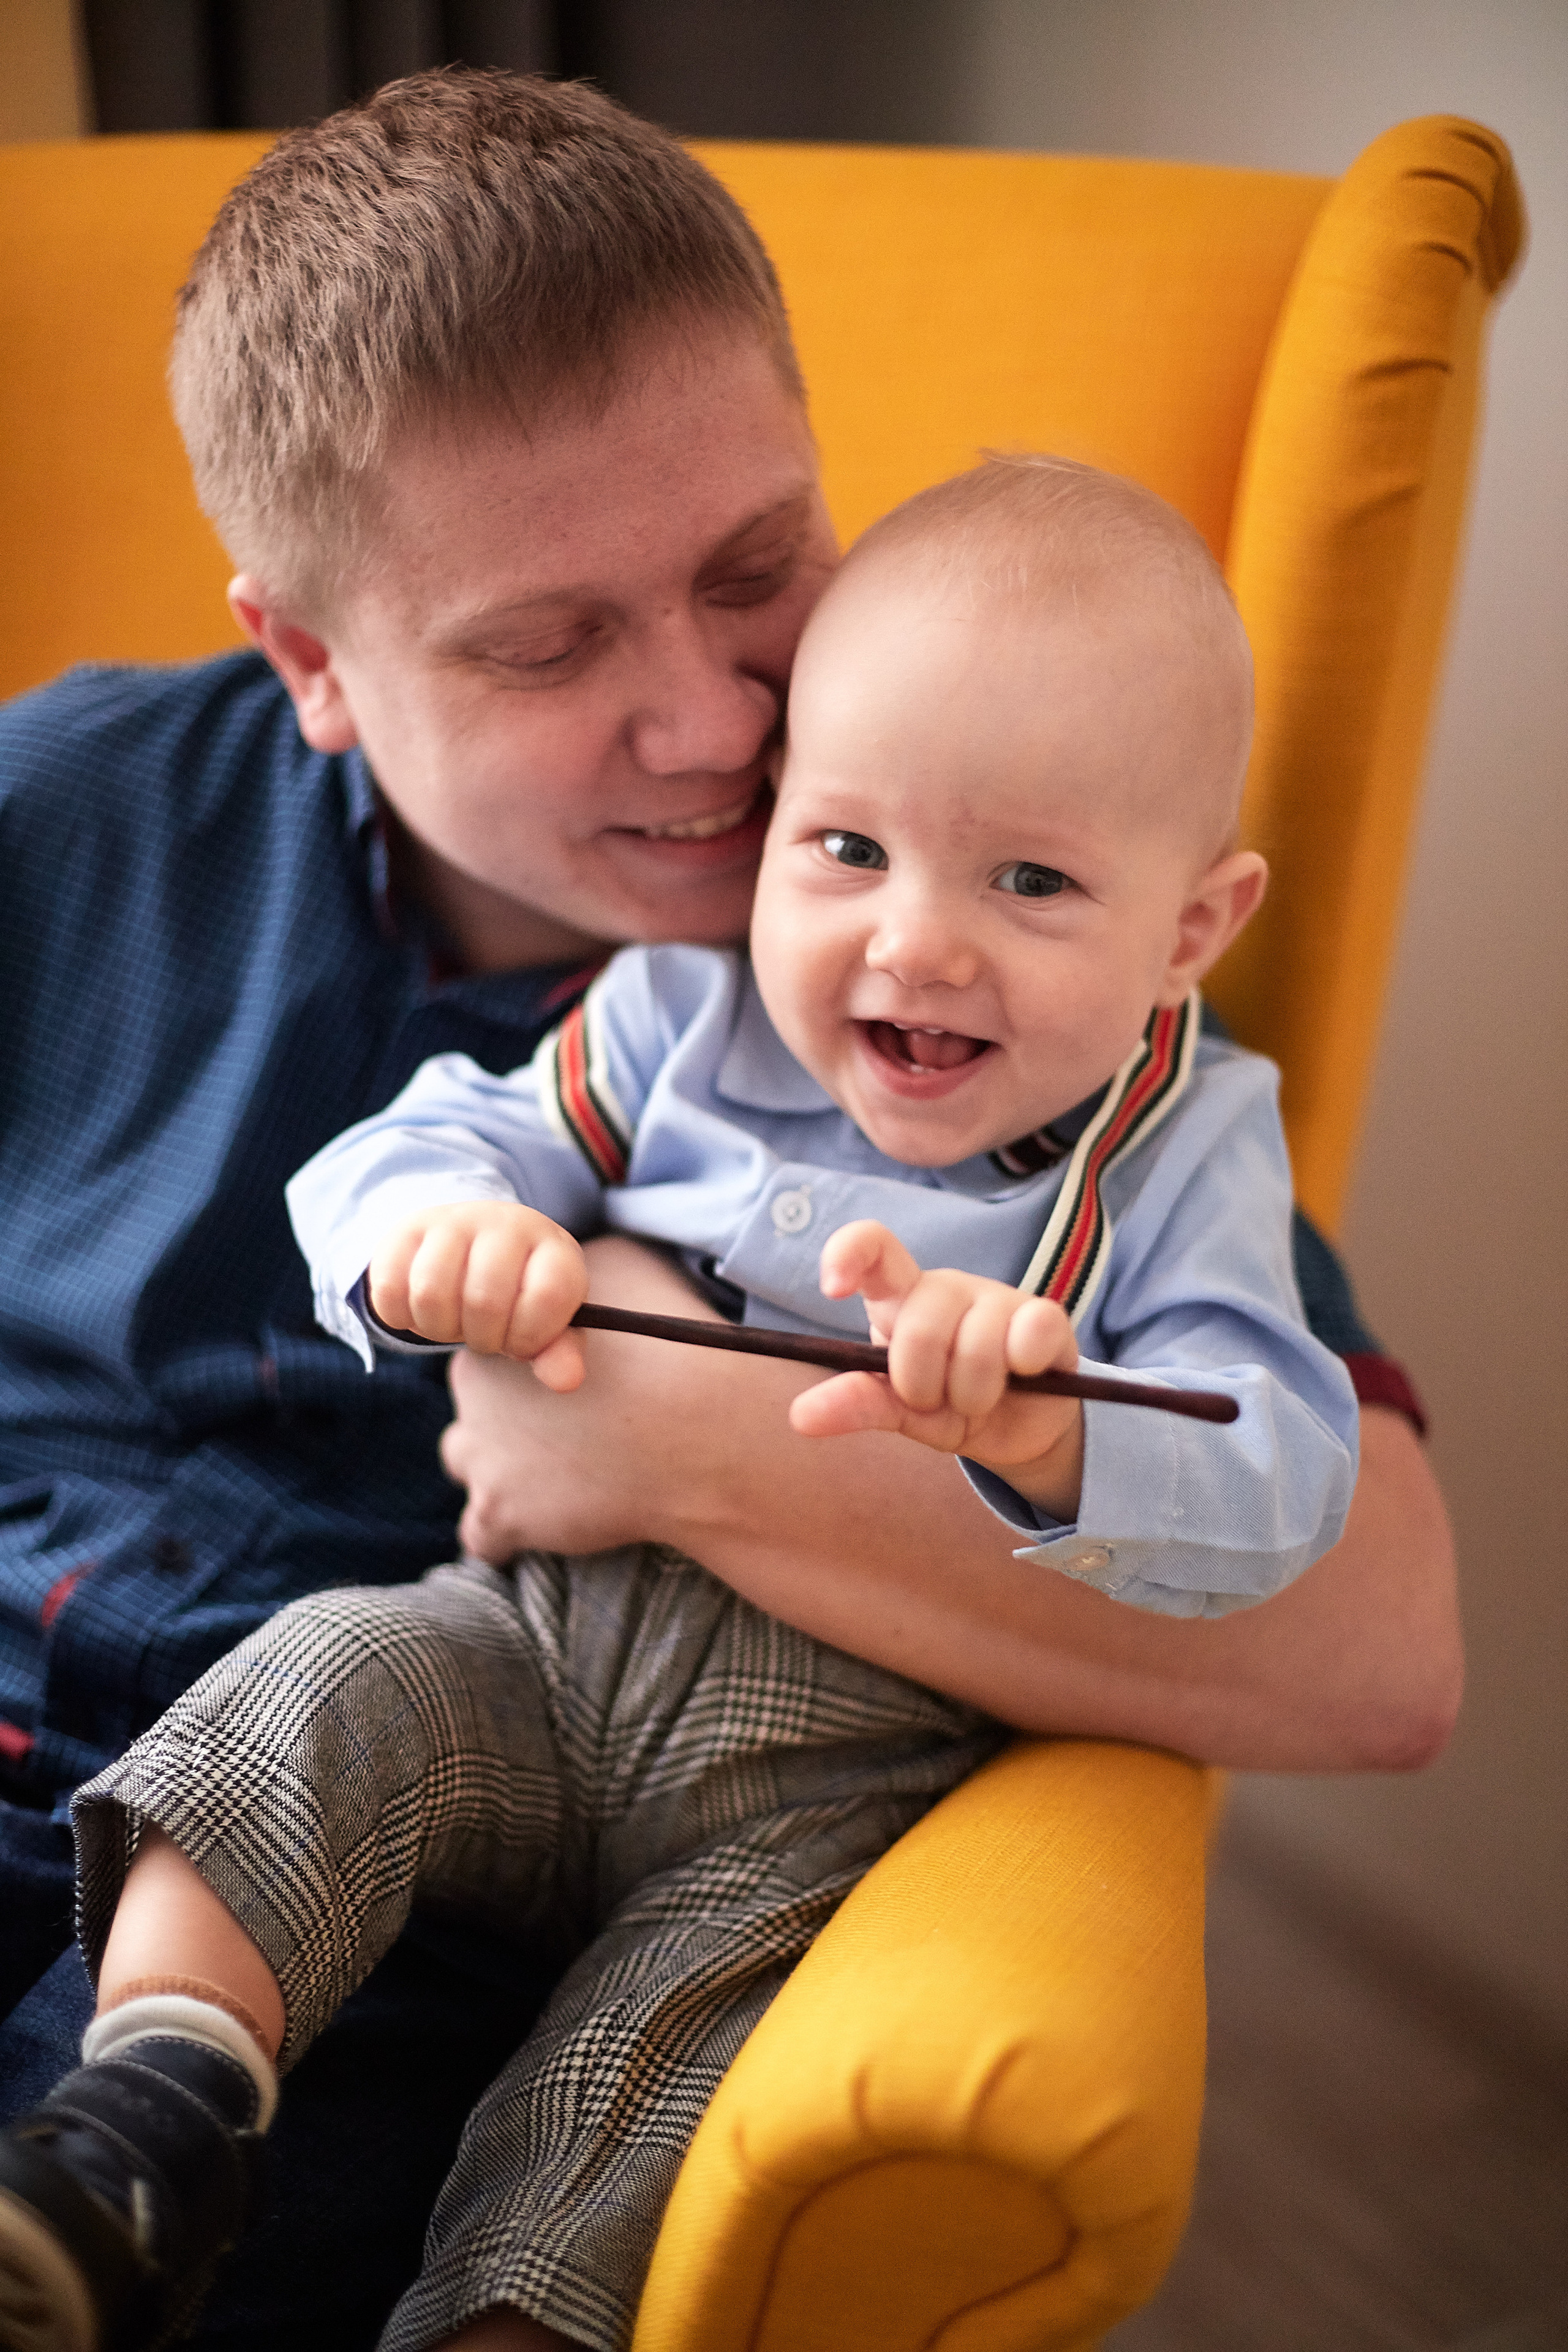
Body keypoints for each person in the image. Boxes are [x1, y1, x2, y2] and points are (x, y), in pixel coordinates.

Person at [0, 63, 1456, 2352]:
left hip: (426, 1895)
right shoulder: (72, 815)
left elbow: (1380, 1646)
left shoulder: (961, 947)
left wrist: (674, 1429)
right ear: (309, 664)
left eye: (754, 566)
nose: (709, 723)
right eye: (546, 643)